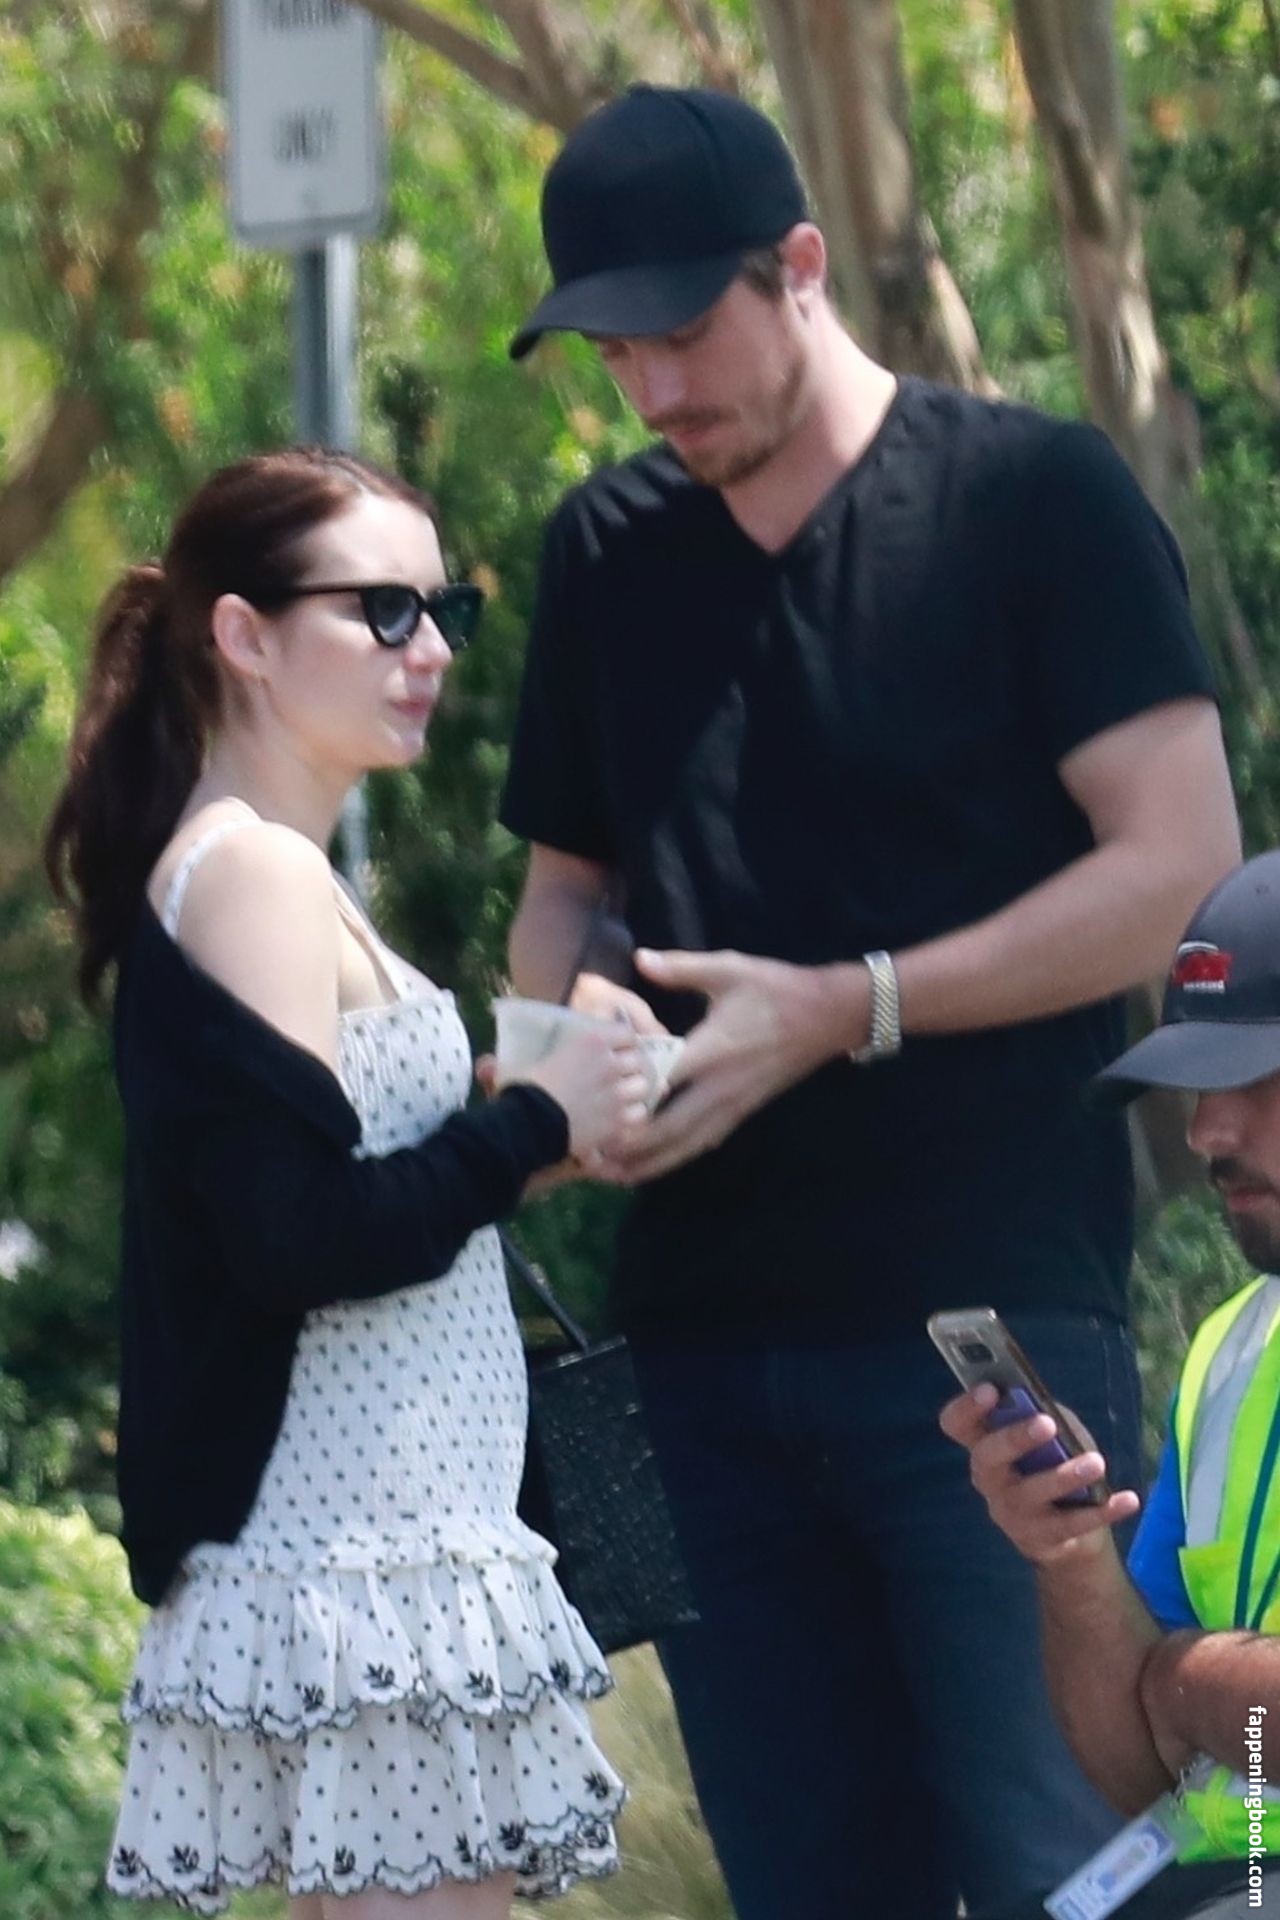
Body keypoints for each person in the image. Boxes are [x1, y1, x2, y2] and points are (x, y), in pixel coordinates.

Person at [498, 82, 1243, 1920]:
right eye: (613, 352)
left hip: (984, 1337)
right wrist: (562, 1069)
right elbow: (569, 891)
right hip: (693, 1354)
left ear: (804, 267)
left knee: (1078, 1877)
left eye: (685, 330)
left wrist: (856, 1004)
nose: (654, 389)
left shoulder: (1033, 500)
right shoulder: (604, 552)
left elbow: (1182, 863)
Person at [44, 447, 645, 1918]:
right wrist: (527, 1126)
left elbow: (313, 1188)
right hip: (360, 1558)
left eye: (444, 611)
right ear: (243, 636)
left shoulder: (281, 871)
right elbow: (296, 1238)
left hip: (383, 1551)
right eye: (381, 609)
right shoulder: (251, 872)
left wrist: (521, 1128)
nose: (427, 648)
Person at [943, 851, 1280, 1920]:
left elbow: (1183, 1712)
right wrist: (1071, 1554)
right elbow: (1144, 1775)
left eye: (1254, 1076)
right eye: (1199, 1085)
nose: (1205, 1131)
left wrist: (1184, 1680)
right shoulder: (1229, 1348)